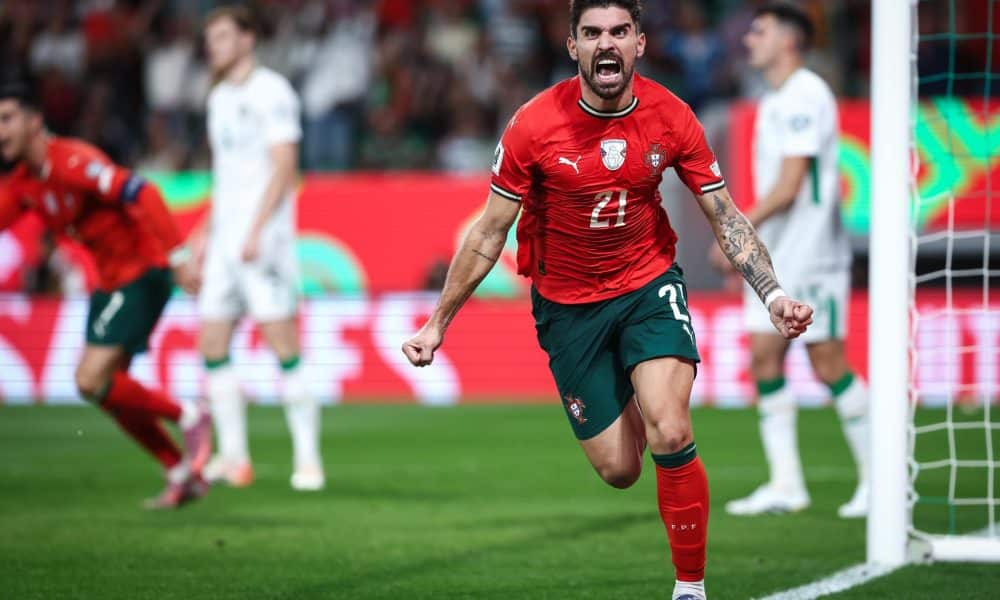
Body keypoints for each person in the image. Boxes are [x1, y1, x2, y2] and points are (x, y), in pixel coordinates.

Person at [402, 2, 814, 599]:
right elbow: (489, 232)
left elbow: (724, 214)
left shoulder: (671, 116)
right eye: (592, 33)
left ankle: (690, 587)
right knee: (620, 469)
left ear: (639, 42)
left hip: (648, 285)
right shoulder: (533, 125)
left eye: (619, 31)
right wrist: (437, 323)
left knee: (670, 427)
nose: (606, 43)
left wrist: (771, 293)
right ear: (573, 46)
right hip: (567, 306)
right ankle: (630, 389)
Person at [0, 81, 212, 509]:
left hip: (143, 272)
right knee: (109, 393)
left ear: (34, 121)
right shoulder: (23, 182)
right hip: (110, 282)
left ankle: (190, 414)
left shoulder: (73, 161)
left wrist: (179, 257)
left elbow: (145, 191)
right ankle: (179, 471)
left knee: (89, 379)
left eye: (6, 119)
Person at [714, 2, 869, 518]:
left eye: (760, 31)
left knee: (827, 362)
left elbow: (789, 185)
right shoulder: (775, 99)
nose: (749, 39)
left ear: (789, 40)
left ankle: (882, 479)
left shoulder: (805, 93)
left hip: (812, 251)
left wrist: (735, 231)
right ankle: (786, 485)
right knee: (764, 358)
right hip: (780, 254)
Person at [190, 6, 324, 491]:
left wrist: (256, 229)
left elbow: (285, 165)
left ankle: (308, 460)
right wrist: (204, 231)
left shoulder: (272, 91)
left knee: (281, 342)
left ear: (247, 39)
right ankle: (233, 458)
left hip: (263, 240)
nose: (214, 46)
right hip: (225, 241)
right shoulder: (218, 97)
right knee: (212, 342)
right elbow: (226, 175)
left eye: (223, 36)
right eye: (211, 38)